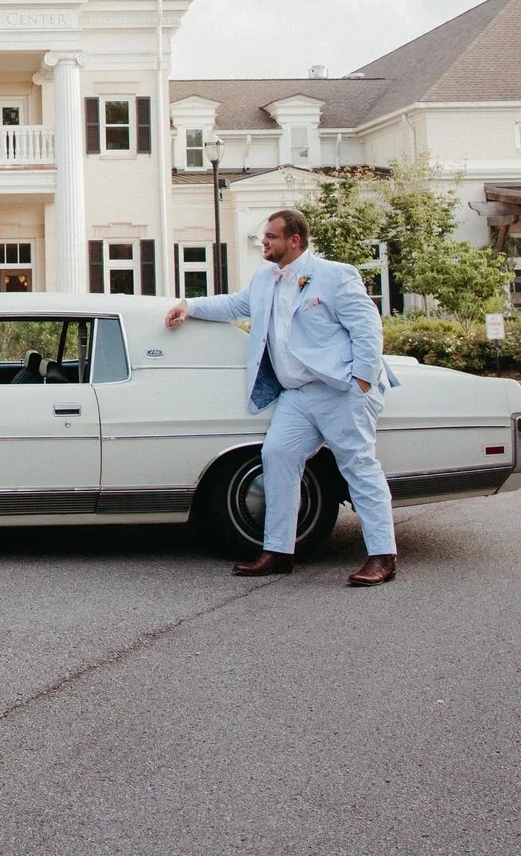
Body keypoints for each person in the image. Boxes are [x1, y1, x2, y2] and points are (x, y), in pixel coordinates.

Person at [165, 208, 401, 586]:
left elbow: (368, 328)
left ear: (295, 240)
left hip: (339, 389)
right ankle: (278, 551)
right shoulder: (264, 278)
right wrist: (189, 306)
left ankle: (382, 556)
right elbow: (235, 305)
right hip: (296, 394)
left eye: (271, 237)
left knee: (358, 466)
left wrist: (361, 380)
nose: (265, 242)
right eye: (265, 236)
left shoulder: (335, 275)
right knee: (276, 455)